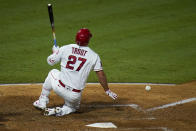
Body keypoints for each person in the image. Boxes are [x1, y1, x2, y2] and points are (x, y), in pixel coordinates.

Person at [33, 28, 118, 116]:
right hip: (74, 95)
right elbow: (101, 75)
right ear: (88, 40)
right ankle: (59, 111)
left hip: (59, 87)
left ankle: (42, 101)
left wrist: (55, 52)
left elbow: (50, 62)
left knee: (53, 72)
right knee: (72, 108)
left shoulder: (66, 48)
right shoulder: (94, 56)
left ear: (76, 39)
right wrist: (107, 90)